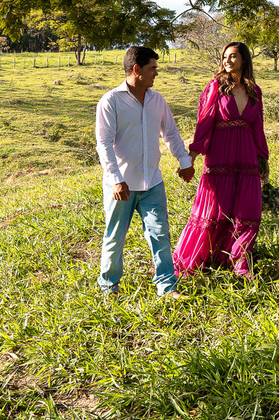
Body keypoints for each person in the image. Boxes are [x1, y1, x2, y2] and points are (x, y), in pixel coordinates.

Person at [95, 45, 195, 298]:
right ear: (136, 69)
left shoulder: (157, 100)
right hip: (121, 186)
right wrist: (116, 179)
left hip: (152, 182)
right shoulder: (111, 101)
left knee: (160, 233)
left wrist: (184, 161)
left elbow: (170, 134)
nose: (156, 74)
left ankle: (166, 286)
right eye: (152, 69)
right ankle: (109, 287)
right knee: (115, 236)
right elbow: (104, 143)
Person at [173, 41, 269, 279]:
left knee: (248, 210)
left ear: (244, 60)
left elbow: (258, 129)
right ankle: (199, 259)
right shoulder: (214, 86)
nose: (227, 60)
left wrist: (263, 161)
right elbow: (204, 123)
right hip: (220, 157)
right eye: (225, 56)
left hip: (246, 157)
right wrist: (192, 156)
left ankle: (240, 263)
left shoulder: (254, 91)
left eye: (233, 56)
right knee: (214, 211)